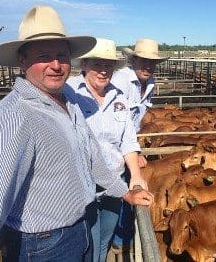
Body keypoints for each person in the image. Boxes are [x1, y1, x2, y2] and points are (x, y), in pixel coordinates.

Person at [0, 5, 153, 261]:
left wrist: (123, 190)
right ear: (22, 60)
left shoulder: (68, 97)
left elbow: (90, 154)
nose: (56, 65)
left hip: (78, 228)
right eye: (44, 56)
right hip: (43, 244)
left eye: (62, 55)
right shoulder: (16, 116)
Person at [64, 38, 148, 262]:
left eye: (108, 65)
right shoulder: (68, 92)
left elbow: (127, 140)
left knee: (104, 241)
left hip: (115, 183)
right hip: (82, 186)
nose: (103, 71)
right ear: (84, 65)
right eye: (97, 64)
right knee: (87, 242)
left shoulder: (118, 96)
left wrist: (136, 177)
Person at [110, 38, 168, 250]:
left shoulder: (149, 83)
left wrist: (134, 150)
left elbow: (134, 123)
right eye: (143, 61)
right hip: (112, 144)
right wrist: (132, 153)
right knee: (118, 190)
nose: (148, 66)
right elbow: (115, 120)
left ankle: (119, 238)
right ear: (133, 60)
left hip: (127, 142)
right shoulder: (121, 81)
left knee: (129, 186)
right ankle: (117, 239)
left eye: (152, 62)